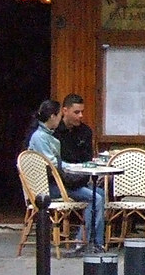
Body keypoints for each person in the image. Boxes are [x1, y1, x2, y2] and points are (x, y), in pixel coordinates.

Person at [28, 99, 105, 248]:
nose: (59, 120)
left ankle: (95, 241)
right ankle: (84, 242)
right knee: (96, 197)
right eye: (58, 116)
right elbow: (53, 164)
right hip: (49, 187)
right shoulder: (40, 137)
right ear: (52, 116)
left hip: (56, 182)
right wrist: (76, 167)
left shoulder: (46, 135)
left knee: (100, 192)